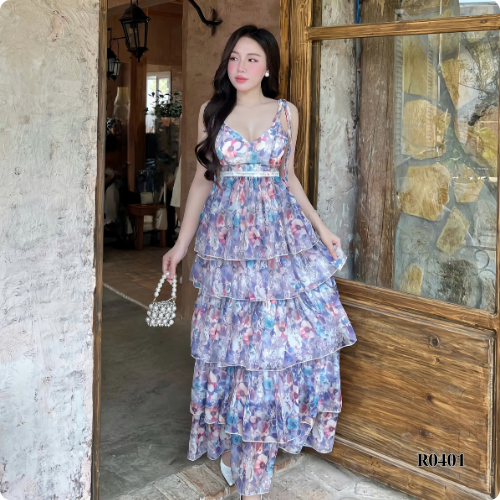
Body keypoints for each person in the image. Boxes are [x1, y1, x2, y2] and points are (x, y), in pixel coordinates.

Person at [161, 25, 357, 500]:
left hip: (280, 239)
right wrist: (181, 245)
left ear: (268, 67)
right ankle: (239, 450)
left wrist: (321, 228)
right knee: (235, 346)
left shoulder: (287, 112)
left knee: (277, 344)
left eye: (252, 59)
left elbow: (288, 176)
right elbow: (203, 181)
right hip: (229, 243)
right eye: (234, 57)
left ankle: (256, 450)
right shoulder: (211, 111)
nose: (241, 67)